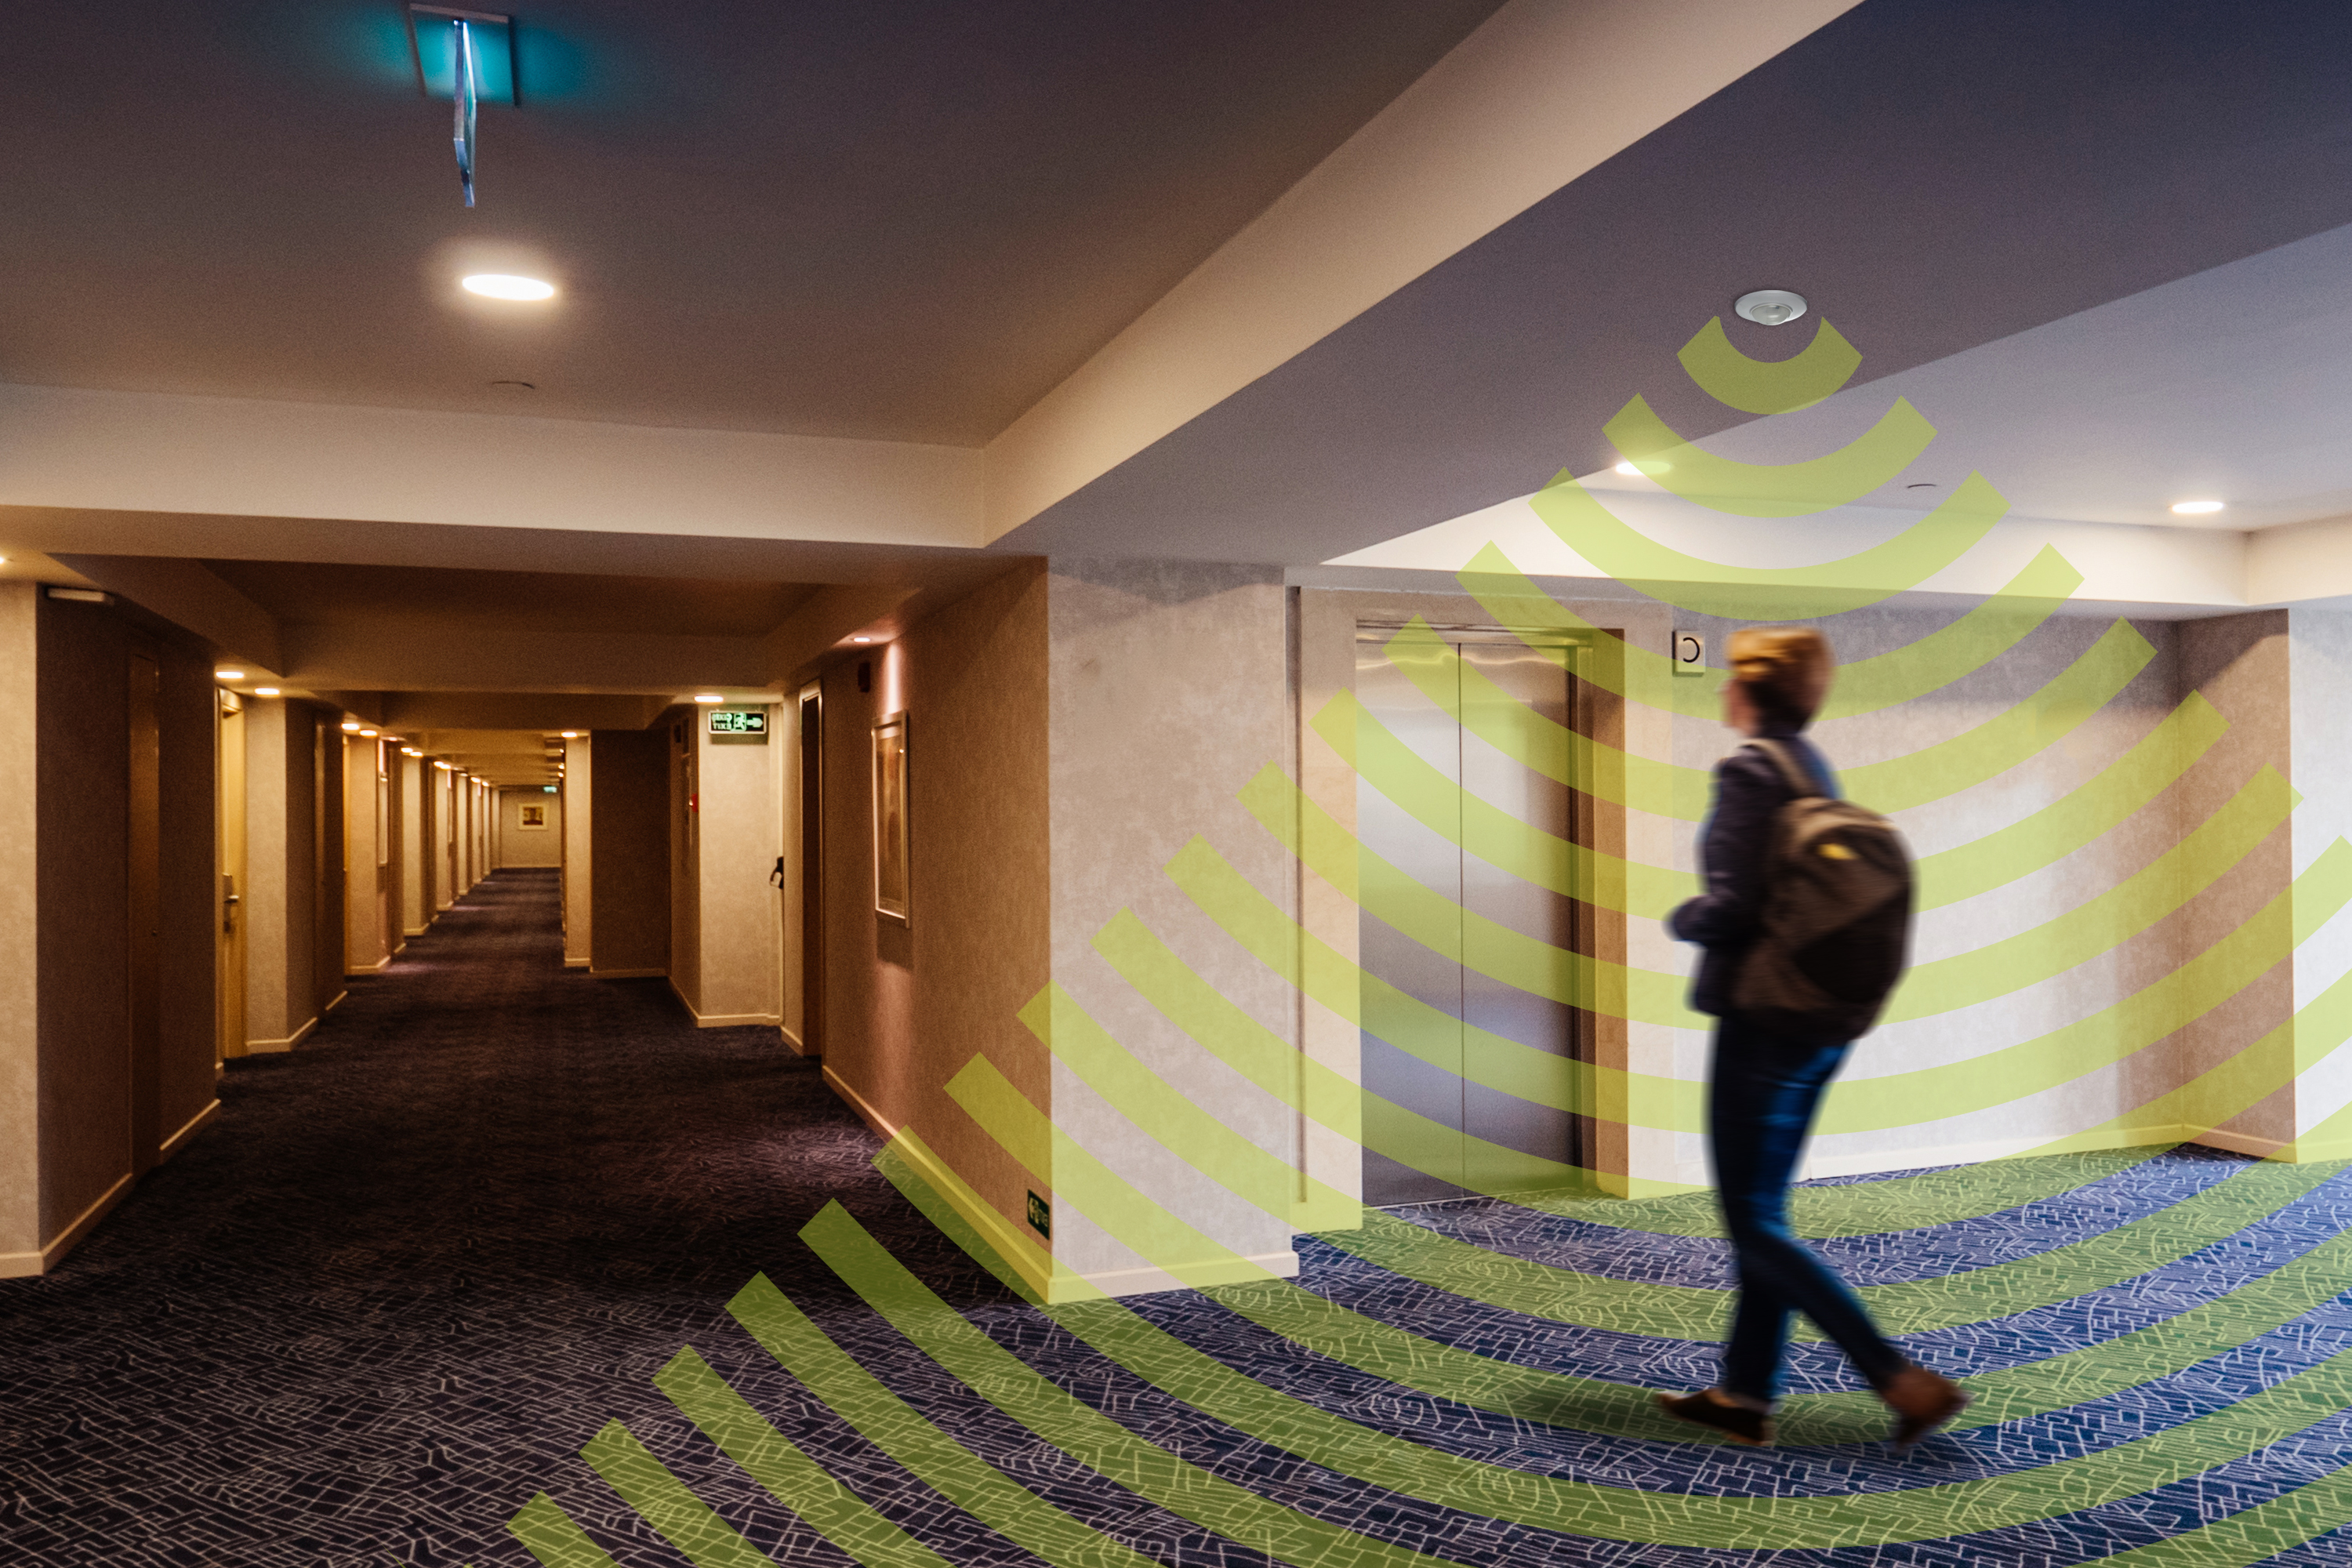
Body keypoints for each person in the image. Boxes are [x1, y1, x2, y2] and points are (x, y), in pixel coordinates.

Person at [1655, 626, 1968, 1450]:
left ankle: (1896, 1375)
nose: (1721, 689)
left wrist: (1679, 916)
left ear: (1749, 690)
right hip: (1822, 1023)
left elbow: (1729, 904)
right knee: (1765, 1210)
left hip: (1763, 1017)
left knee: (1753, 1221)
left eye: (1728, 677)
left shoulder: (1750, 769)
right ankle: (1745, 1391)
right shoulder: (1815, 771)